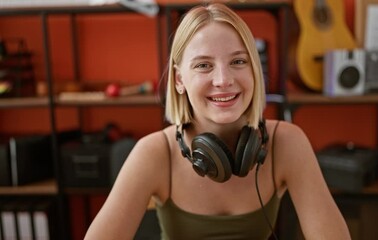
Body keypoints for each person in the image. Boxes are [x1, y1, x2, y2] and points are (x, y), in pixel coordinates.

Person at [84, 3, 351, 240]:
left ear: (254, 71)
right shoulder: (154, 152)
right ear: (179, 80)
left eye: (238, 61)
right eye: (203, 65)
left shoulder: (287, 142)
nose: (223, 80)